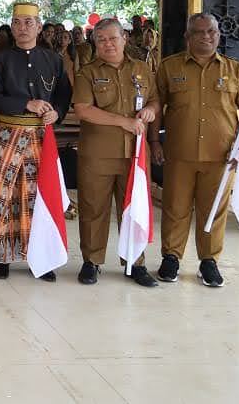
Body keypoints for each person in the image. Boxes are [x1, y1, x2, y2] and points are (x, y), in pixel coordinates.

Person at [150, 13, 239, 287]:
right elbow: (155, 106)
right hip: (178, 153)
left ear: (219, 35)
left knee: (214, 210)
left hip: (221, 156)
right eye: (199, 32)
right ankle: (171, 258)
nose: (207, 36)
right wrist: (153, 142)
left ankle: (209, 261)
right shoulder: (169, 68)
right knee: (175, 208)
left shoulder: (235, 71)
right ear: (188, 37)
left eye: (212, 31)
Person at [0, 3, 72, 281]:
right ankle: (1, 255)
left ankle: (41, 257)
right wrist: (25, 103)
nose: (23, 28)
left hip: (43, 138)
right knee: (3, 193)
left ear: (40, 27)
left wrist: (57, 113)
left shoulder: (53, 60)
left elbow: (64, 95)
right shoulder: (0, 59)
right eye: (17, 22)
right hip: (9, 133)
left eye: (29, 23)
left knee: (38, 196)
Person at [72, 19, 160, 288]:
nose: (108, 44)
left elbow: (156, 99)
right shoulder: (87, 73)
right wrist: (122, 121)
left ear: (125, 39)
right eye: (101, 40)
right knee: (93, 208)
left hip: (134, 155)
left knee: (133, 209)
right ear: (95, 43)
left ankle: (135, 262)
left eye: (113, 38)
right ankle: (92, 261)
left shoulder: (142, 69)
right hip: (98, 153)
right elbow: (83, 109)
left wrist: (151, 111)